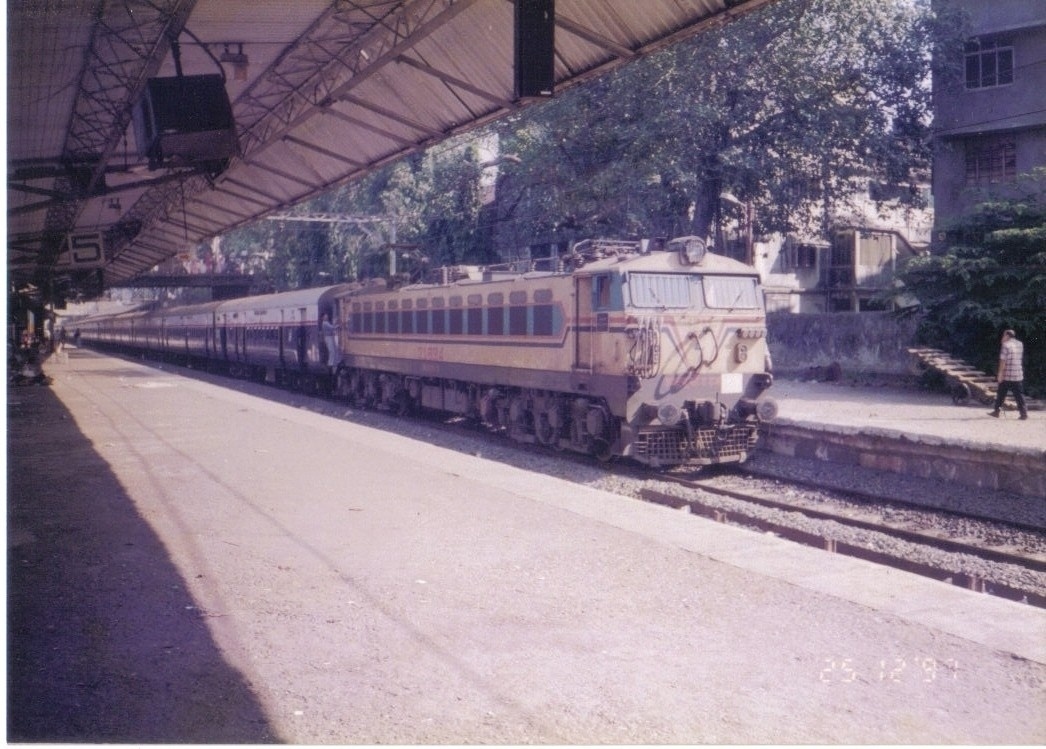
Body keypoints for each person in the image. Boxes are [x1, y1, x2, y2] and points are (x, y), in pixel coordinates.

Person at [989, 329, 1028, 420]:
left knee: (1001, 394)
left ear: (1007, 336)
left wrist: (1000, 374)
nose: (1002, 337)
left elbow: (1003, 361)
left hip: (1007, 374)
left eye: (1003, 335)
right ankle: (1024, 414)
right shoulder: (1020, 344)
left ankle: (996, 412)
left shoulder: (1005, 345)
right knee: (1019, 395)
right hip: (1017, 374)